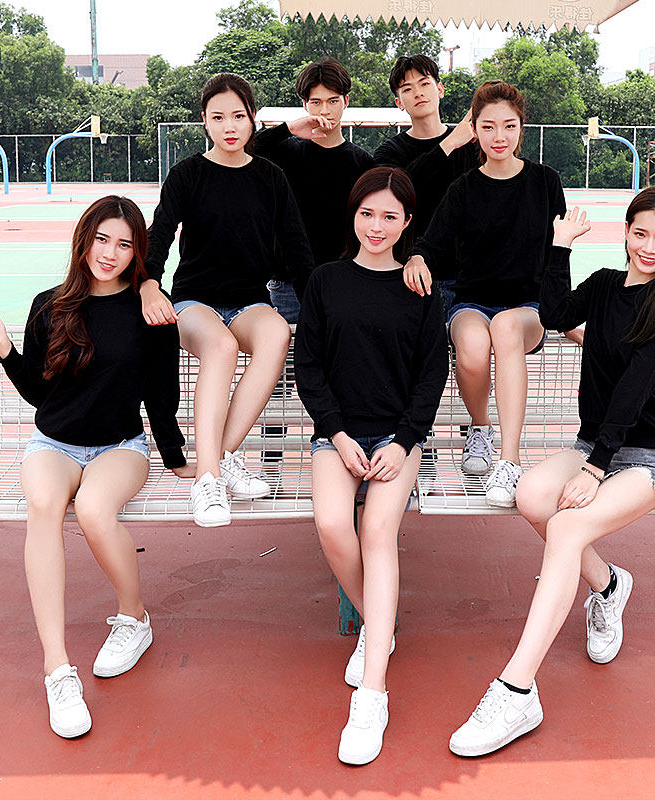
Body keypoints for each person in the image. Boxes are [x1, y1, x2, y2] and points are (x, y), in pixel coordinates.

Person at [448, 186, 655, 757]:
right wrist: (558, 248)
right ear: (626, 232)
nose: (649, 246)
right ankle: (609, 585)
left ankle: (517, 689)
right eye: (641, 233)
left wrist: (596, 468)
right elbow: (556, 315)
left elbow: (633, 392)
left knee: (565, 526)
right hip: (595, 444)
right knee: (532, 496)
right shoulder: (606, 284)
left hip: (647, 453)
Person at [0, 196, 190, 739]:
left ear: (138, 252)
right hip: (54, 444)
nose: (110, 253)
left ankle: (134, 617)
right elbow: (41, 394)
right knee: (44, 505)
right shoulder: (50, 306)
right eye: (101, 239)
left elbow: (162, 395)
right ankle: (57, 670)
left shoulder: (150, 313)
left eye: (124, 244)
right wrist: (6, 350)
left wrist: (177, 458)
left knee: (93, 509)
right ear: (84, 239)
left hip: (120, 446)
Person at [294, 167, 448, 765]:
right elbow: (309, 366)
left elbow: (431, 374)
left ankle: (373, 692)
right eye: (367, 213)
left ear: (407, 223)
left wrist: (403, 442)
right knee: (333, 525)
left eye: (389, 216)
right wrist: (335, 433)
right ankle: (378, 626)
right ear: (352, 215)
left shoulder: (420, 288)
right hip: (336, 434)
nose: (376, 226)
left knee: (377, 531)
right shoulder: (325, 281)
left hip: (395, 439)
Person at [141, 73, 314, 527]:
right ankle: (209, 480)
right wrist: (148, 283)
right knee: (221, 346)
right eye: (218, 117)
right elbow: (160, 234)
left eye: (238, 116)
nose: (229, 126)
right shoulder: (188, 174)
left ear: (252, 119)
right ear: (204, 120)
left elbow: (296, 248)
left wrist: (320, 304)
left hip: (248, 302)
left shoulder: (271, 177)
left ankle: (218, 458)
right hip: (194, 302)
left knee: (277, 334)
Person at [404, 79, 573, 508]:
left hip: (527, 307)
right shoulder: (463, 188)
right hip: (472, 302)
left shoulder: (545, 182)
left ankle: (509, 461)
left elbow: (557, 253)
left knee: (505, 326)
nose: (500, 136)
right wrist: (417, 258)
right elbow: (430, 243)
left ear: (521, 128)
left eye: (509, 126)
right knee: (474, 344)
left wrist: (567, 315)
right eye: (489, 126)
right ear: (474, 130)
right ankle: (480, 429)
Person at [254, 56, 374, 321]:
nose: (325, 110)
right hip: (287, 286)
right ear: (305, 105)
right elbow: (245, 148)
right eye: (316, 102)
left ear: (346, 101)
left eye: (333, 101)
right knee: (288, 348)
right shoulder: (285, 152)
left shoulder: (363, 162)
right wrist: (287, 129)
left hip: (344, 279)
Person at [374, 53, 480, 315]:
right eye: (407, 89)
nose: (418, 93)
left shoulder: (472, 146)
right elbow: (398, 192)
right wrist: (450, 143)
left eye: (424, 83)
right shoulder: (389, 152)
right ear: (399, 102)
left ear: (440, 89)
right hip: (409, 276)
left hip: (467, 279)